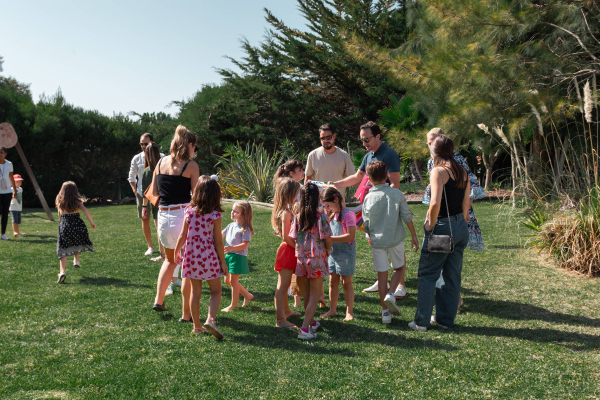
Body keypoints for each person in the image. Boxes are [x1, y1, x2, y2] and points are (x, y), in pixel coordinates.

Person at [332, 122, 405, 296]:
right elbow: (357, 177)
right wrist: (334, 184)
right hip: (372, 210)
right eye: (362, 139)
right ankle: (383, 280)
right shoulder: (369, 155)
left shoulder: (389, 154)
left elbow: (395, 184)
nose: (364, 143)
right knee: (377, 243)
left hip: (387, 210)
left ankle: (401, 286)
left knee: (394, 243)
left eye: (367, 139)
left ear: (378, 136)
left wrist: (383, 205)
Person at [409, 135, 470, 332]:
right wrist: (462, 220)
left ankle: (421, 322)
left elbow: (434, 203)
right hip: (461, 227)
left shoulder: (438, 171)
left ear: (434, 152)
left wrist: (430, 225)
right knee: (453, 276)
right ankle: (445, 320)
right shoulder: (462, 171)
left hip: (443, 228)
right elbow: (467, 202)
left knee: (428, 274)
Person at [423, 128, 486, 308]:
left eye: (432, 143)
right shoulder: (432, 163)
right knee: (450, 265)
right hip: (451, 219)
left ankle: (447, 302)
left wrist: (463, 212)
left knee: (442, 264)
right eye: (428, 143)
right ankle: (451, 302)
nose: (430, 146)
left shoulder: (455, 161)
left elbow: (470, 188)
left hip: (448, 220)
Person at [151, 126, 199, 327]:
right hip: (181, 216)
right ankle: (186, 313)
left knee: (170, 260)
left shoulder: (160, 162)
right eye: (194, 146)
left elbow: (153, 191)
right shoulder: (191, 166)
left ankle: (158, 301)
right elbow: (197, 197)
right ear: (189, 145)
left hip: (163, 216)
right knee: (185, 264)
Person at [362, 161, 419, 324]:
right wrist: (414, 235)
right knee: (399, 268)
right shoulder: (397, 194)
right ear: (387, 175)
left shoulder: (368, 197)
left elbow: (365, 221)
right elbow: (407, 216)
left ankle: (385, 313)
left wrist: (368, 236)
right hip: (395, 239)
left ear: (369, 179)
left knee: (382, 276)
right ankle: (391, 294)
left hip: (377, 241)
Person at [174, 177, 227, 339]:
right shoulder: (215, 215)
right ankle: (210, 319)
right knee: (216, 290)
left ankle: (197, 326)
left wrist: (177, 250)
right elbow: (218, 242)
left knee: (195, 292)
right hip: (208, 257)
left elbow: (183, 234)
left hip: (191, 257)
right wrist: (223, 262)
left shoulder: (189, 210)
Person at [289, 182, 333, 340]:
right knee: (315, 294)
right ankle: (305, 328)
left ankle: (312, 321)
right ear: (317, 198)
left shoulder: (297, 217)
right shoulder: (321, 217)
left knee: (307, 293)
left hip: (301, 259)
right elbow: (328, 239)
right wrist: (327, 250)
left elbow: (293, 237)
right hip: (317, 259)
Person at [320, 187, 357, 322]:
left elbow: (350, 235)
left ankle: (349, 312)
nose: (327, 208)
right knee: (332, 281)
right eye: (325, 206)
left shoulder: (348, 214)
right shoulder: (333, 216)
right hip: (334, 254)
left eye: (328, 205)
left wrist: (330, 239)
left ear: (336, 199)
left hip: (346, 254)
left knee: (346, 283)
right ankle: (332, 310)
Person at [272, 178, 302, 329]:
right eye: (297, 193)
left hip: (287, 249)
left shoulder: (283, 211)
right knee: (282, 287)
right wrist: (298, 248)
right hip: (288, 250)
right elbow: (286, 236)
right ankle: (280, 320)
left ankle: (286, 311)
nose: (298, 195)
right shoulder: (286, 213)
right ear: (290, 193)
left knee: (285, 285)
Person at [128, 133, 164, 256]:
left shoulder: (162, 157)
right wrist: (135, 190)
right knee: (145, 219)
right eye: (141, 144)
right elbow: (131, 176)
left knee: (159, 221)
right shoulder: (136, 158)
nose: (143, 146)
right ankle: (150, 247)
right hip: (142, 194)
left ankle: (163, 249)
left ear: (152, 143)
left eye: (145, 143)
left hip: (158, 194)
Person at [55, 181, 96, 284]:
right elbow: (85, 210)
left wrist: (61, 223)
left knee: (63, 248)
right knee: (76, 241)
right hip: (77, 224)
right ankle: (76, 260)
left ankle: (62, 272)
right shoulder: (77, 201)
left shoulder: (59, 200)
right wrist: (92, 222)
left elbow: (59, 213)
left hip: (64, 224)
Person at [221, 200, 254, 312]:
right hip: (228, 256)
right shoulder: (230, 225)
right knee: (227, 281)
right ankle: (247, 295)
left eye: (236, 211)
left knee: (234, 281)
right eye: (232, 210)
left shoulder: (245, 228)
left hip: (238, 257)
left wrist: (232, 248)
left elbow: (244, 245)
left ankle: (233, 305)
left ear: (244, 215)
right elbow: (220, 235)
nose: (232, 212)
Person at [141, 143, 167, 264]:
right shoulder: (165, 166)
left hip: (156, 203)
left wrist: (144, 207)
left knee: (159, 229)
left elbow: (146, 192)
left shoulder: (147, 171)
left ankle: (163, 255)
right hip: (169, 201)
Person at [0, 147, 18, 241]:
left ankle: (3, 233)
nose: (0, 154)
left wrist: (14, 190)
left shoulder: (9, 164)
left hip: (7, 192)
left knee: (5, 212)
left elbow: (11, 177)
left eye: (2, 152)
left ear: (5, 154)